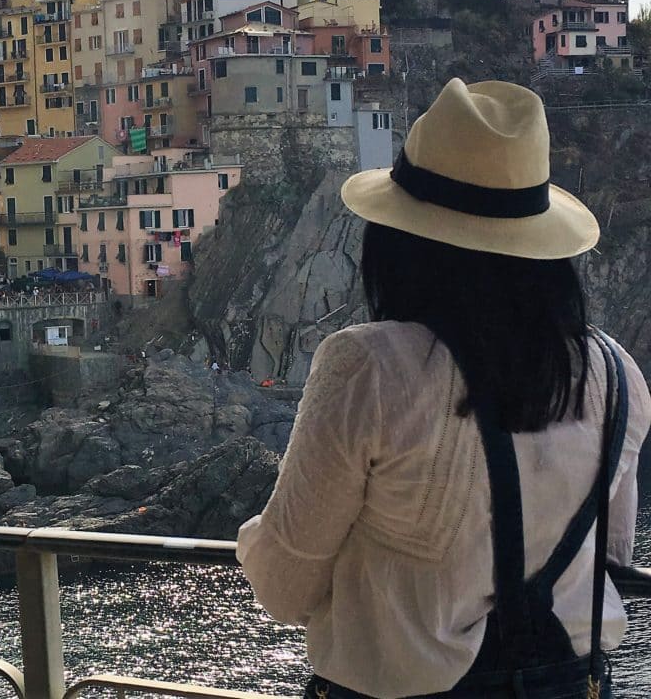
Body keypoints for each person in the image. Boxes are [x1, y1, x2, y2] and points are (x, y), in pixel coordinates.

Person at [237, 80, 649, 699]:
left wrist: (258, 540)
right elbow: (612, 552)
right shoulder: (617, 375)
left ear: (401, 240)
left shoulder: (368, 368)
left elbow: (284, 589)